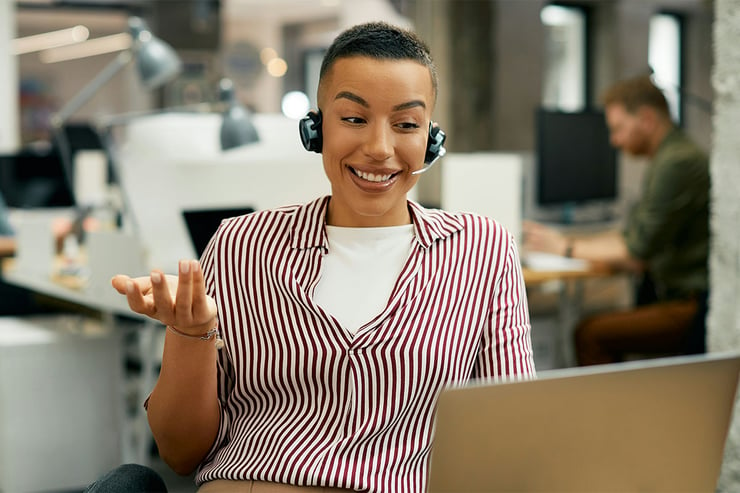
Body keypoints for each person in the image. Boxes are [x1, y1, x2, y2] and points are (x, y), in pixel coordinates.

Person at [93, 21, 535, 493]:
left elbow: (510, 439)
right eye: (353, 119)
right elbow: (180, 455)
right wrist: (190, 333)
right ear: (315, 128)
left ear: (431, 139)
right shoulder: (242, 244)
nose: (379, 148)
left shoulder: (481, 249)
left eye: (406, 124)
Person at [524, 75, 709, 366]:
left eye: (619, 129)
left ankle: (608, 412)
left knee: (589, 333)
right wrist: (567, 244)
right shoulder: (668, 157)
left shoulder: (677, 163)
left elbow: (635, 250)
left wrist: (564, 247)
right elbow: (632, 238)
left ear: (647, 119)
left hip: (691, 305)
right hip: (675, 295)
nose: (614, 141)